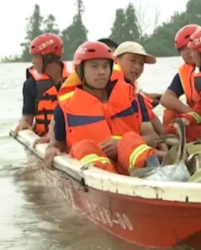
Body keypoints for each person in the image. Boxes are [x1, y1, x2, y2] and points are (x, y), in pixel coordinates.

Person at [44, 41, 160, 175]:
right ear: (79, 70)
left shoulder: (132, 97)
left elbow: (152, 137)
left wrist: (120, 144)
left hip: (132, 169)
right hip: (98, 175)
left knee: (129, 139)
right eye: (94, 67)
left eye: (105, 66)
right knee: (83, 147)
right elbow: (58, 143)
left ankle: (154, 177)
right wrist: (51, 148)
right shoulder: (65, 106)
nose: (101, 72)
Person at [13, 33, 73, 138]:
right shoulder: (30, 85)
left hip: (73, 136)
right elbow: (27, 117)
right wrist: (23, 122)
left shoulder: (77, 78)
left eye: (36, 57)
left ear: (48, 58)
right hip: (44, 139)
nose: (33, 62)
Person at [113, 41, 166, 141]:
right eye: (132, 60)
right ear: (116, 60)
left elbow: (154, 135)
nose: (137, 67)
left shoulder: (137, 96)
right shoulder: (101, 89)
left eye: (141, 64)